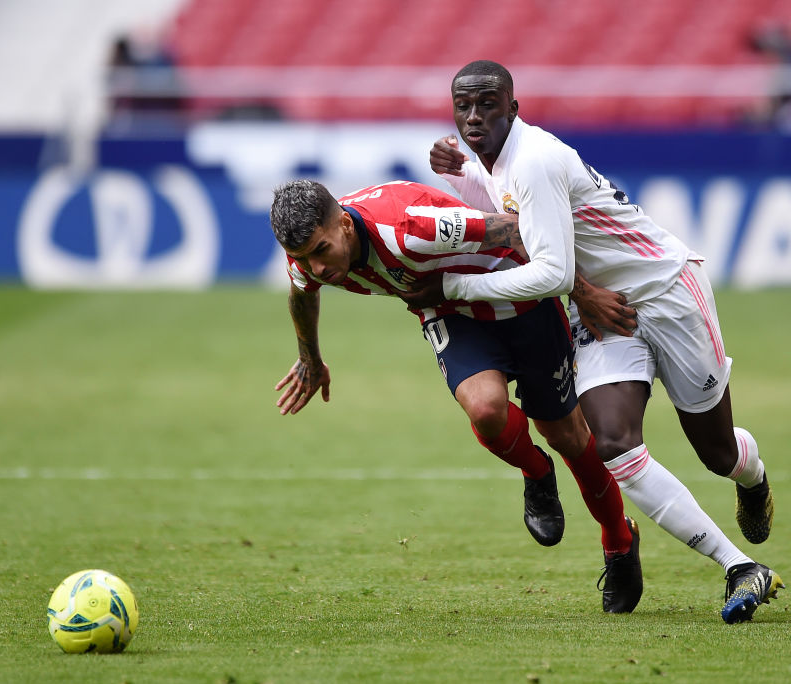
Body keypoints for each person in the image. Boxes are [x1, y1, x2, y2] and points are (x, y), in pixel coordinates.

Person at [401, 60, 784, 623]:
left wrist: (457, 285)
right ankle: (737, 565)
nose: (474, 116)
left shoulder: (532, 161)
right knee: (612, 442)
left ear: (514, 106)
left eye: (487, 104)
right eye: (464, 106)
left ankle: (752, 478)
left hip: (665, 290)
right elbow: (512, 219)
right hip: (604, 312)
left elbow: (552, 272)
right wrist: (462, 176)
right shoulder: (499, 165)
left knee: (717, 452)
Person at [269, 178, 642, 613]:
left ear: (345, 228)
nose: (316, 267)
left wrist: (584, 292)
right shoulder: (308, 255)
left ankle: (619, 540)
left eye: (320, 250)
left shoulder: (415, 228)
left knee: (568, 437)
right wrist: (311, 359)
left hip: (521, 298)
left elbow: (520, 231)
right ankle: (536, 473)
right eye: (302, 257)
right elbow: (302, 293)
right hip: (448, 309)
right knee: (485, 409)